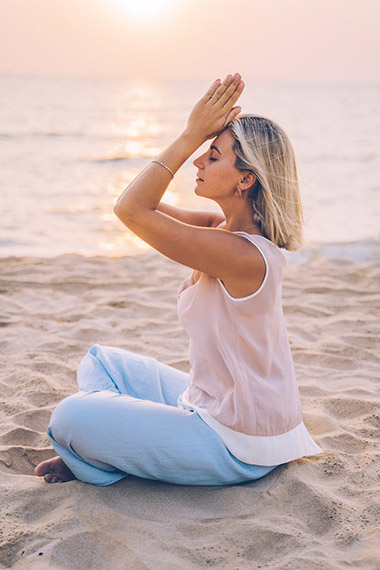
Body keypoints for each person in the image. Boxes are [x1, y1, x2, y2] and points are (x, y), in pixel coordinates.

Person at [35, 73, 322, 486]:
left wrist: (190, 133)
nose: (198, 161)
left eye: (214, 155)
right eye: (204, 150)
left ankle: (100, 452)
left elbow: (131, 210)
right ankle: (108, 448)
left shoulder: (242, 255)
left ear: (247, 179)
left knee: (69, 416)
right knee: (100, 360)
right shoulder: (220, 230)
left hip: (238, 440)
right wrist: (194, 135)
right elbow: (136, 201)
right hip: (211, 402)